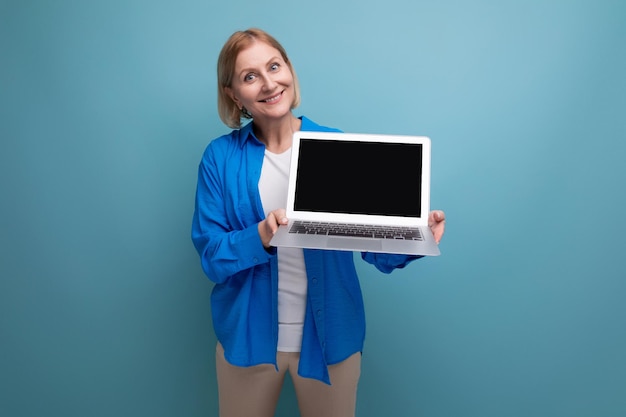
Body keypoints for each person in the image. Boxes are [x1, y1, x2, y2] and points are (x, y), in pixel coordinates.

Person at [191, 28, 446, 417]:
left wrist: (416, 236)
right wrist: (261, 234)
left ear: (289, 69)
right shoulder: (219, 157)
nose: (268, 83)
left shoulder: (334, 145)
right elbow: (211, 256)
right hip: (248, 340)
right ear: (233, 94)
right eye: (250, 76)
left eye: (274, 66)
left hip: (331, 340)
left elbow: (372, 250)